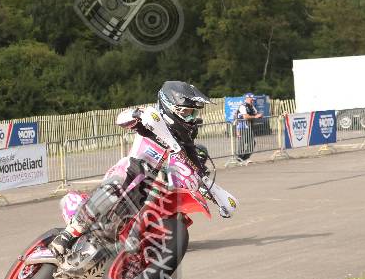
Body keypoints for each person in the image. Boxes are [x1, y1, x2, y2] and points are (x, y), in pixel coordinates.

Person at [50, 80, 231, 257]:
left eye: (193, 113)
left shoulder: (185, 140)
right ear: (172, 107)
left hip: (156, 185)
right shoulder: (152, 121)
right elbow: (122, 118)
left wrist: (209, 190)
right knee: (122, 176)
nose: (191, 118)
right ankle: (68, 234)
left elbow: (195, 168)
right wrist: (136, 114)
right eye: (187, 112)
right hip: (131, 173)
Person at [235, 93, 259, 162]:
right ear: (247, 98)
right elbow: (245, 117)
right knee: (242, 142)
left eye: (253, 100)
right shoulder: (243, 106)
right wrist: (255, 116)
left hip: (249, 126)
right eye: (252, 99)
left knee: (252, 143)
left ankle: (244, 158)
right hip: (242, 127)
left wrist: (259, 115)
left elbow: (256, 113)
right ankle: (239, 158)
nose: (253, 101)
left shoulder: (252, 106)